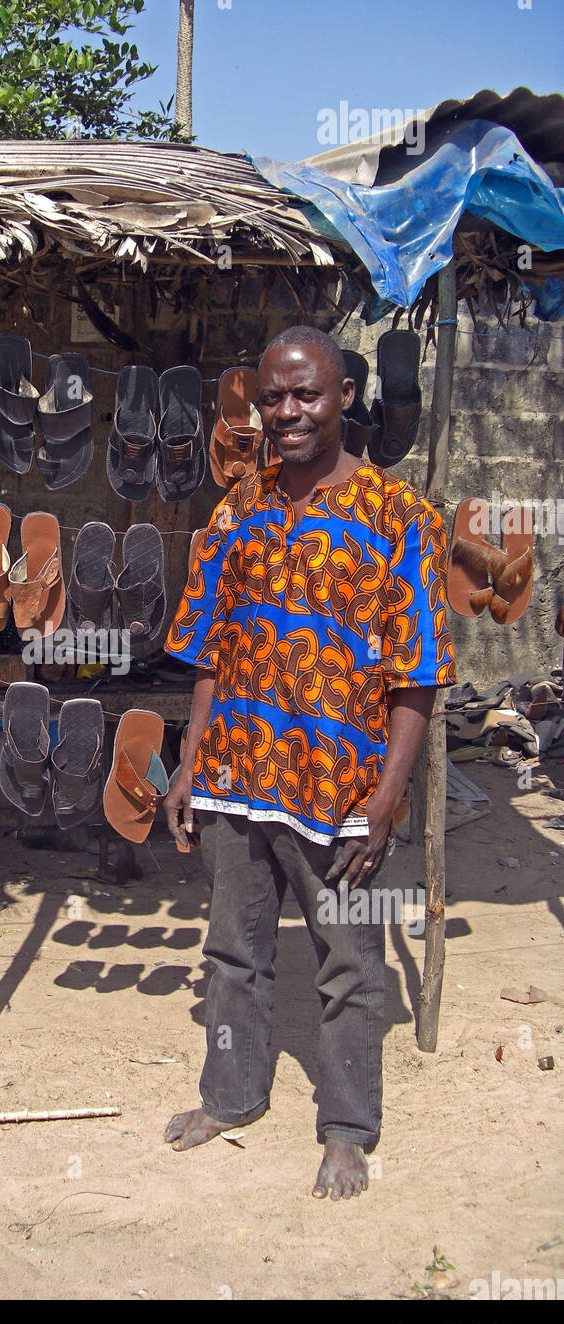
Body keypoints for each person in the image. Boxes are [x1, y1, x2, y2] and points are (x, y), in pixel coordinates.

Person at [162, 326, 456, 1199]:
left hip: (339, 792)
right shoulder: (237, 507)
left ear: (344, 399)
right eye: (274, 397)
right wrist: (188, 761)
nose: (287, 413)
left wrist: (390, 793)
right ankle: (230, 1096)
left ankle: (345, 1129)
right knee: (231, 953)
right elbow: (209, 647)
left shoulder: (397, 516)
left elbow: (419, 673)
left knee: (349, 964)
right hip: (237, 777)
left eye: (307, 395)